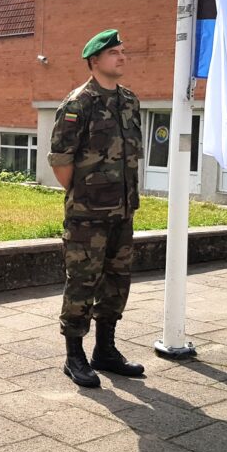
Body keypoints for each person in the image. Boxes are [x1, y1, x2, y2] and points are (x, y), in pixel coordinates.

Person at [48, 29, 145, 387]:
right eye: (115, 52)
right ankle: (75, 356)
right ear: (95, 61)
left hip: (122, 211)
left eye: (123, 51)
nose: (122, 57)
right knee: (82, 283)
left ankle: (106, 350)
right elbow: (61, 161)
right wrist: (84, 195)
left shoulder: (129, 101)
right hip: (87, 215)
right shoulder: (79, 103)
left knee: (117, 281)